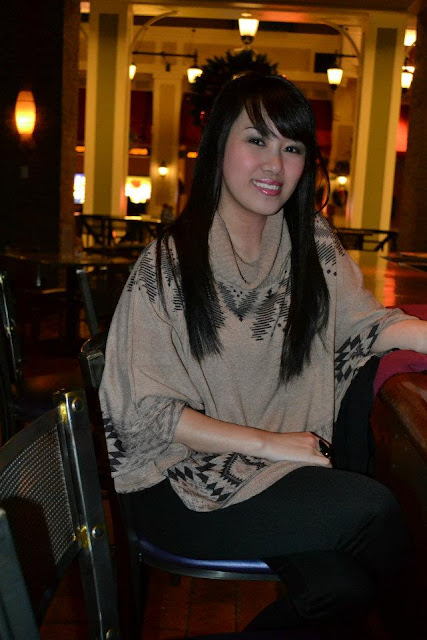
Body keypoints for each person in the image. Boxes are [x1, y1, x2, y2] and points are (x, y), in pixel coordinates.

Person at [100, 73, 427, 637]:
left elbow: (364, 323)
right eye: (257, 139)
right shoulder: (169, 264)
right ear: (219, 146)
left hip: (275, 473)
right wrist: (271, 444)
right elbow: (146, 414)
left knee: (341, 591)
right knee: (376, 510)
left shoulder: (310, 244)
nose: (275, 163)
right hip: (180, 484)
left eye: (292, 147)